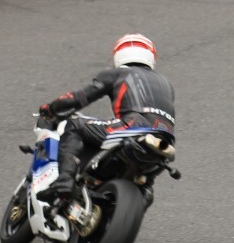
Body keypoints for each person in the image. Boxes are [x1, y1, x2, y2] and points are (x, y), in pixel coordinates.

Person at [36, 33, 176, 204]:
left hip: (133, 126)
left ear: (119, 55)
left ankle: (65, 181)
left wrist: (50, 108)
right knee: (145, 188)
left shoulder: (118, 73)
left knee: (74, 125)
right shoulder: (167, 84)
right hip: (165, 140)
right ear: (151, 57)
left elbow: (78, 98)